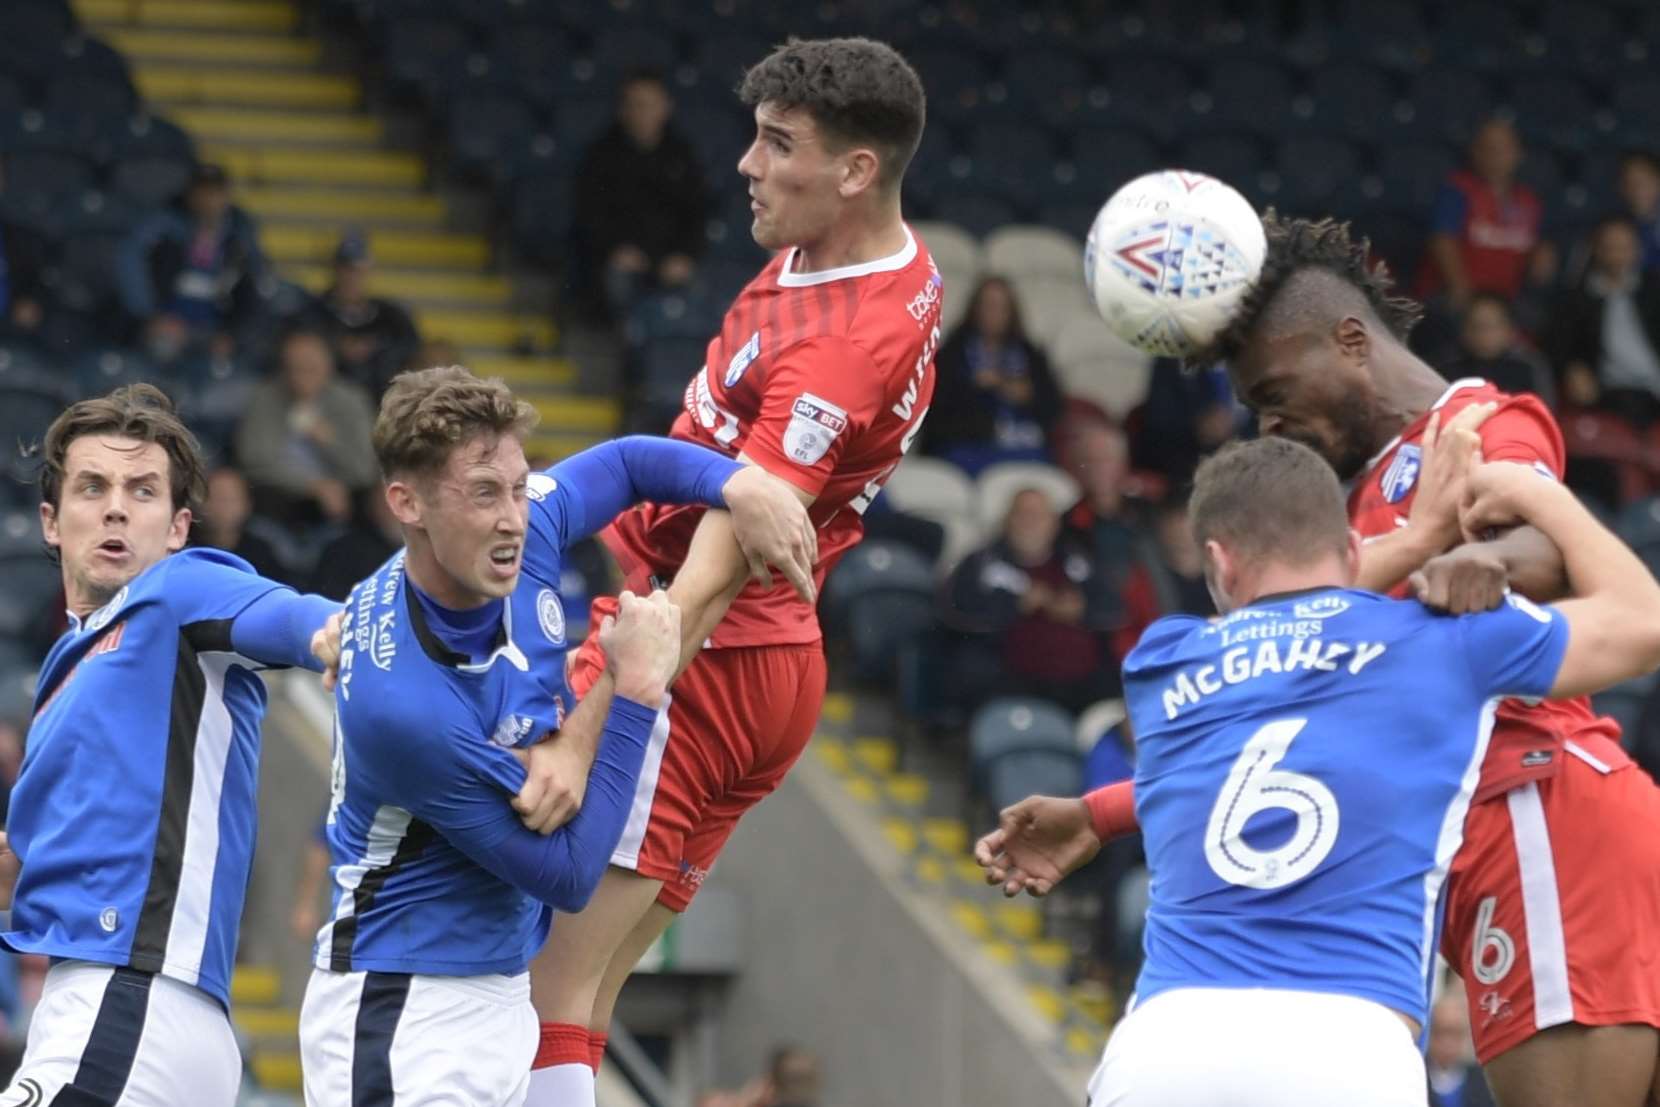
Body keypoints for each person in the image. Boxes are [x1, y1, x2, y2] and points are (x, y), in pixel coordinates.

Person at [990, 213, 1660, 1107]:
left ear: (1350, 342)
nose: (1267, 419)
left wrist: (1475, 559)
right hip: (1470, 833)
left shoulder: (1471, 422)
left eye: (1273, 387)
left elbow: (1537, 545)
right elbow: (1285, 711)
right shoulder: (1351, 502)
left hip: (1536, 805)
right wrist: (1110, 810)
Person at [524, 37, 936, 1107]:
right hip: (773, 661)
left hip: (703, 655)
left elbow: (711, 574)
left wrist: (590, 726)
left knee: (543, 995)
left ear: (855, 170)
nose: (746, 165)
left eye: (778, 145)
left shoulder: (847, 341)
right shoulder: (857, 251)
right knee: (590, 995)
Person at [298, 366, 815, 1106]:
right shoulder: (405, 704)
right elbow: (571, 876)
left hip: (503, 990)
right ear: (406, 503)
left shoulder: (518, 530)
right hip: (405, 1008)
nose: (514, 516)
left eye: (518, 485)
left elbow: (632, 464)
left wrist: (738, 485)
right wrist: (632, 689)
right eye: (484, 493)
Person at [0, 384, 339, 1105]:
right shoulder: (69, 665)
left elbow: (301, 619)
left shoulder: (180, 591)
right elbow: (36, 865)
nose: (117, 505)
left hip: (133, 999)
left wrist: (338, 635)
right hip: (109, 1008)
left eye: (142, 489)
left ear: (179, 525)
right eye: (93, 486)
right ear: (51, 522)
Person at [940, 487, 1116, 711]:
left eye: (1039, 515)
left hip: (1084, 684)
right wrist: (1015, 605)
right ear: (1007, 521)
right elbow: (957, 613)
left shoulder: (1077, 561)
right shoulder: (980, 563)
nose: (1030, 522)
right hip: (1009, 683)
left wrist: (1082, 610)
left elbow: (1113, 608)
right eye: (1022, 514)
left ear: (1055, 523)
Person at [573, 69, 708, 320]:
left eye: (649, 105)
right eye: (635, 105)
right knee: (617, 283)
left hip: (669, 258)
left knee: (700, 293)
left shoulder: (682, 155)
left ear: (665, 107)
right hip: (619, 258)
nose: (642, 112)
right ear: (622, 109)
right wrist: (614, 249)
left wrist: (684, 255)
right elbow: (590, 214)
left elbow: (698, 212)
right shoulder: (601, 156)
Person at [115, 163, 265, 364]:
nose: (209, 200)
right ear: (190, 194)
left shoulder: (239, 233)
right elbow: (130, 263)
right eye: (203, 192)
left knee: (234, 362)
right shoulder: (166, 225)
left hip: (215, 326)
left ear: (226, 196)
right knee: (160, 351)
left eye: (215, 193)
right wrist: (150, 315)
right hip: (168, 322)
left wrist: (233, 334)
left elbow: (255, 284)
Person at [236, 328, 379, 528]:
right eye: (294, 368)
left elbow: (364, 469)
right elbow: (255, 462)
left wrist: (329, 442)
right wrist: (312, 486)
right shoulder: (265, 398)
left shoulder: (352, 401)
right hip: (279, 494)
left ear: (329, 366)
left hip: (342, 495)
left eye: (310, 368)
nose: (301, 377)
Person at [920, 275, 1062, 474]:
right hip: (967, 447)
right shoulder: (952, 354)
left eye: (1001, 307)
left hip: (1023, 446)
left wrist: (1023, 393)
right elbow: (936, 413)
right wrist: (976, 389)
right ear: (975, 309)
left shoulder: (1030, 354)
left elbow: (1052, 405)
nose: (994, 313)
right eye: (988, 305)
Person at [1418, 118, 1553, 310]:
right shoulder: (1456, 190)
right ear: (1475, 151)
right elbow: (1443, 240)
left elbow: (1538, 248)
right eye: (1488, 147)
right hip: (1459, 295)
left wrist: (1542, 255)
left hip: (1506, 300)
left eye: (1504, 148)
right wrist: (1461, 289)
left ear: (1519, 153)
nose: (1496, 155)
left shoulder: (1529, 201)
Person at [1549, 216, 1660, 428]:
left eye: (1624, 247)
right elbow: (1558, 346)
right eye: (1611, 247)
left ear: (1637, 249)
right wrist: (1572, 369)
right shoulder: (1577, 298)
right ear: (1597, 250)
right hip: (1610, 392)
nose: (1618, 255)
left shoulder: (1654, 289)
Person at [304, 231, 420, 400]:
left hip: (381, 400)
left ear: (368, 271)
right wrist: (335, 347)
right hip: (326, 401)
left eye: (357, 271)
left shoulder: (392, 317)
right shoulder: (313, 312)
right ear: (335, 270)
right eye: (346, 269)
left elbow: (412, 352)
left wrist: (378, 349)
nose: (351, 277)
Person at [1442, 293, 1555, 407]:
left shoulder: (1529, 367)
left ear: (1510, 330)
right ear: (1464, 331)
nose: (1484, 333)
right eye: (1476, 325)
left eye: (1491, 326)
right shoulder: (1448, 366)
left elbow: (1544, 411)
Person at [190, 465, 287, 582]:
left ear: (247, 504)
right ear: (200, 502)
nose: (224, 507)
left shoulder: (262, 552)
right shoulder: (184, 549)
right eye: (217, 497)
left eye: (231, 499)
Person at [1429, 987, 1499, 1107]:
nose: (1448, 1043)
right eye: (1441, 1033)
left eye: (1456, 1034)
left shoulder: (1484, 1082)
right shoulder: (1414, 1078)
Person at [1617, 150, 1660, 274]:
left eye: (1644, 182)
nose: (1637, 190)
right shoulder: (1614, 229)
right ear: (1621, 187)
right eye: (1630, 182)